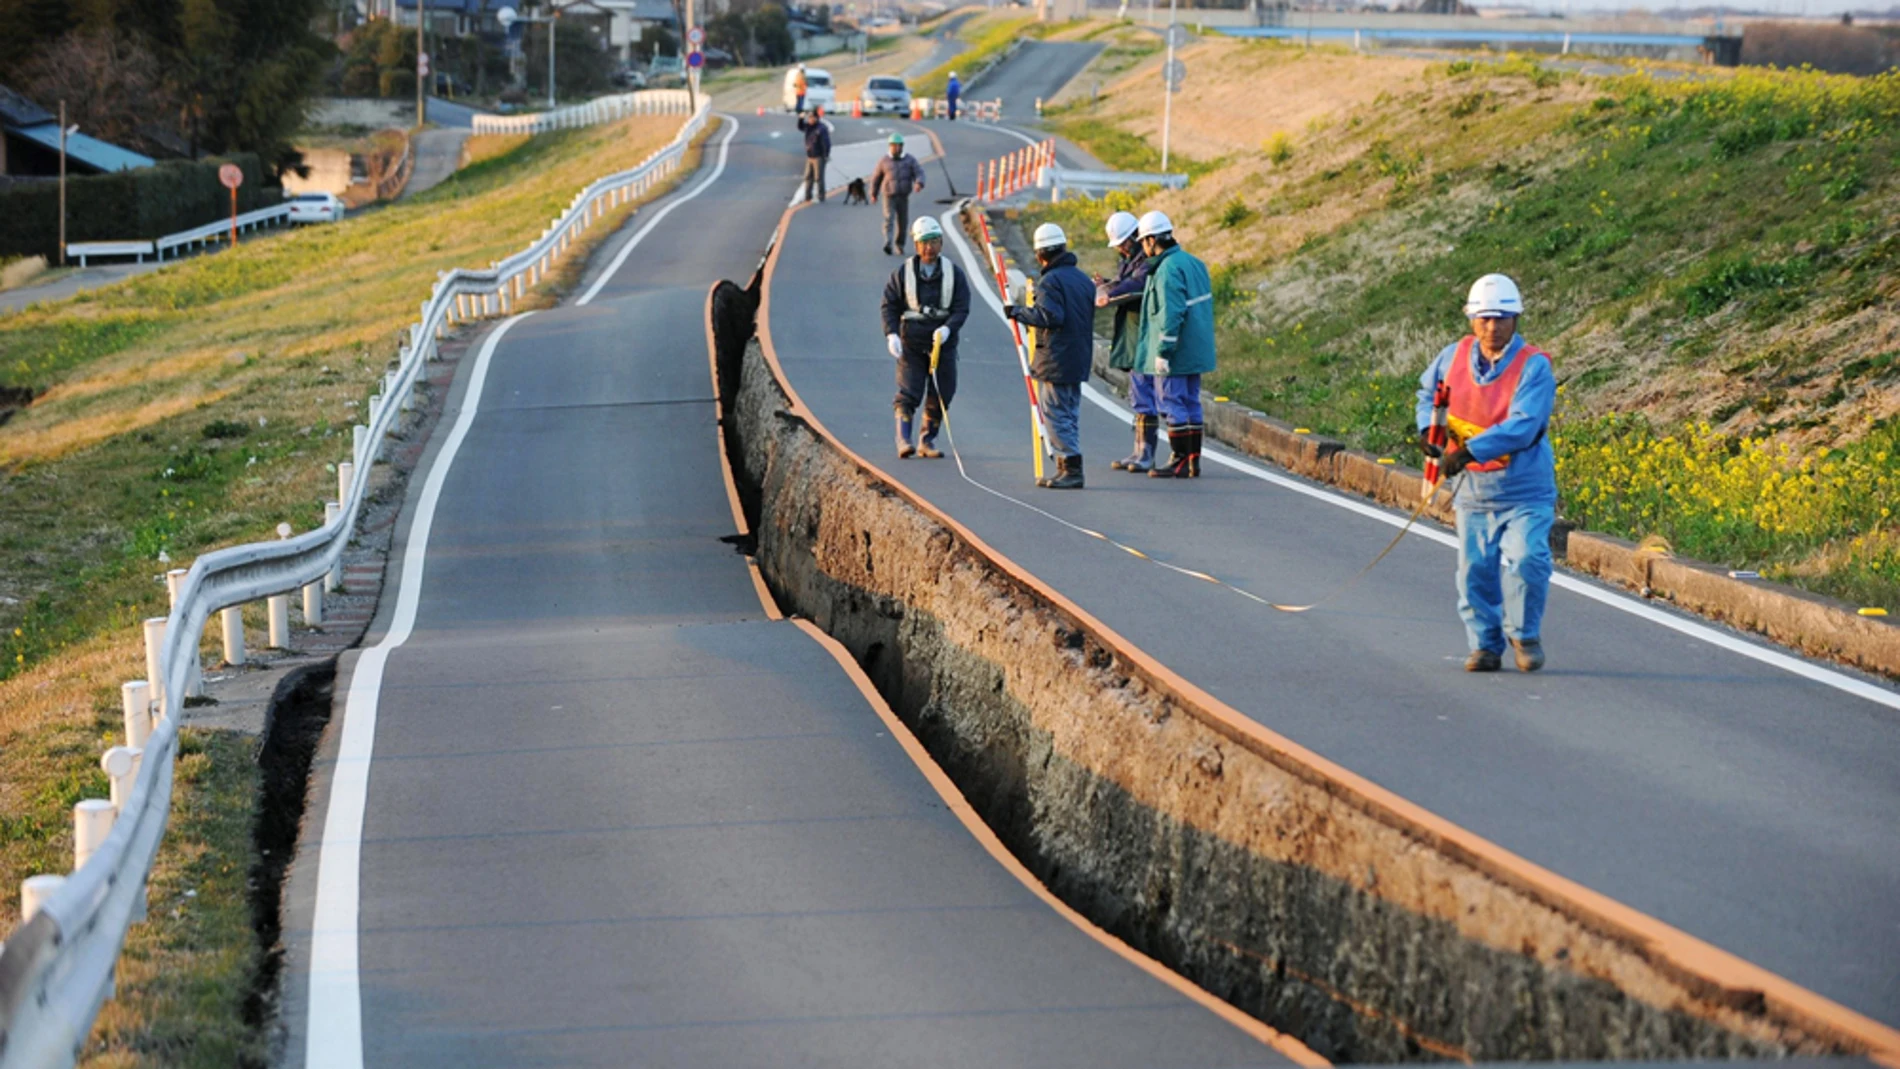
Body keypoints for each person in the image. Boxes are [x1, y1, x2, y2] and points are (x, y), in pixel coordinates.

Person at [1414, 273, 1556, 674]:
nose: (1492, 327)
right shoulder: (1452, 357)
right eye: (1484, 318)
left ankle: (1524, 636)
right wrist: (1428, 430)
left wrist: (1469, 451)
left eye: (1501, 318)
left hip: (1524, 489)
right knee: (1475, 572)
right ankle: (1485, 646)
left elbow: (1524, 425)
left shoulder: (1534, 367)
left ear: (1516, 319)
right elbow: (1428, 395)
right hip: (1474, 491)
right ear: (1472, 320)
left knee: (1527, 559)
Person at [1003, 224, 1096, 489]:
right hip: (1078, 356)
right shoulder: (1082, 279)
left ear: (1040, 254)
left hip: (1057, 359)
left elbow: (1049, 316)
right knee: (1069, 412)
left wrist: (1018, 312)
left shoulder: (1051, 282)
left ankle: (1071, 467)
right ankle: (1066, 467)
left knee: (1055, 414)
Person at [1133, 211, 1215, 479]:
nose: (1143, 248)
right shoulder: (1194, 263)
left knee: (1171, 402)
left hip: (1175, 350)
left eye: (1143, 242)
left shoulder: (1166, 269)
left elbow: (1171, 313)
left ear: (1152, 240)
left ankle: (1178, 460)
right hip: (1196, 348)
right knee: (1191, 402)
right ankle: (1193, 461)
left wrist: (1163, 352)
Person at [881, 215, 969, 459]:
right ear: (916, 245)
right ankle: (903, 439)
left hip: (943, 344)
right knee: (909, 391)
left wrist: (948, 328)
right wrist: (891, 334)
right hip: (912, 341)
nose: (929, 248)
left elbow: (961, 308)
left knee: (943, 392)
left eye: (934, 242)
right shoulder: (903, 274)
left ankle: (927, 440)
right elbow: (889, 305)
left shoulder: (954, 274)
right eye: (924, 243)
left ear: (941, 243)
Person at [1095, 210, 1155, 472]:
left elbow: (1135, 284)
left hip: (1143, 333)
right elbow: (1125, 282)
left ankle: (1146, 453)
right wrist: (1108, 284)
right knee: (1137, 391)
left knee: (1144, 393)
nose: (1120, 248)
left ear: (1134, 237)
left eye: (1123, 243)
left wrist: (1109, 294)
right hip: (1133, 333)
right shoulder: (1130, 259)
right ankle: (1138, 450)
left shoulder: (1147, 261)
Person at [869, 132, 926, 257]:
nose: (896, 148)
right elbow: (876, 177)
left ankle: (899, 244)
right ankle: (888, 243)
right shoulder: (884, 160)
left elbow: (919, 172)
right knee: (888, 218)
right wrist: (874, 193)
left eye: (898, 145)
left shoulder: (909, 160)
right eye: (893, 145)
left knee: (902, 222)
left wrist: (919, 183)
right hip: (888, 194)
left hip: (903, 195)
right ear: (889, 146)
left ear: (902, 146)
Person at [796, 106, 830, 203]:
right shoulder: (808, 127)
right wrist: (800, 118)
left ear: (816, 118)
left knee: (818, 177)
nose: (810, 119)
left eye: (812, 117)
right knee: (808, 177)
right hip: (810, 156)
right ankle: (808, 196)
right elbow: (800, 127)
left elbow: (826, 143)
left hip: (819, 156)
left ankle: (821, 196)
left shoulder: (821, 129)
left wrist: (826, 155)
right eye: (809, 117)